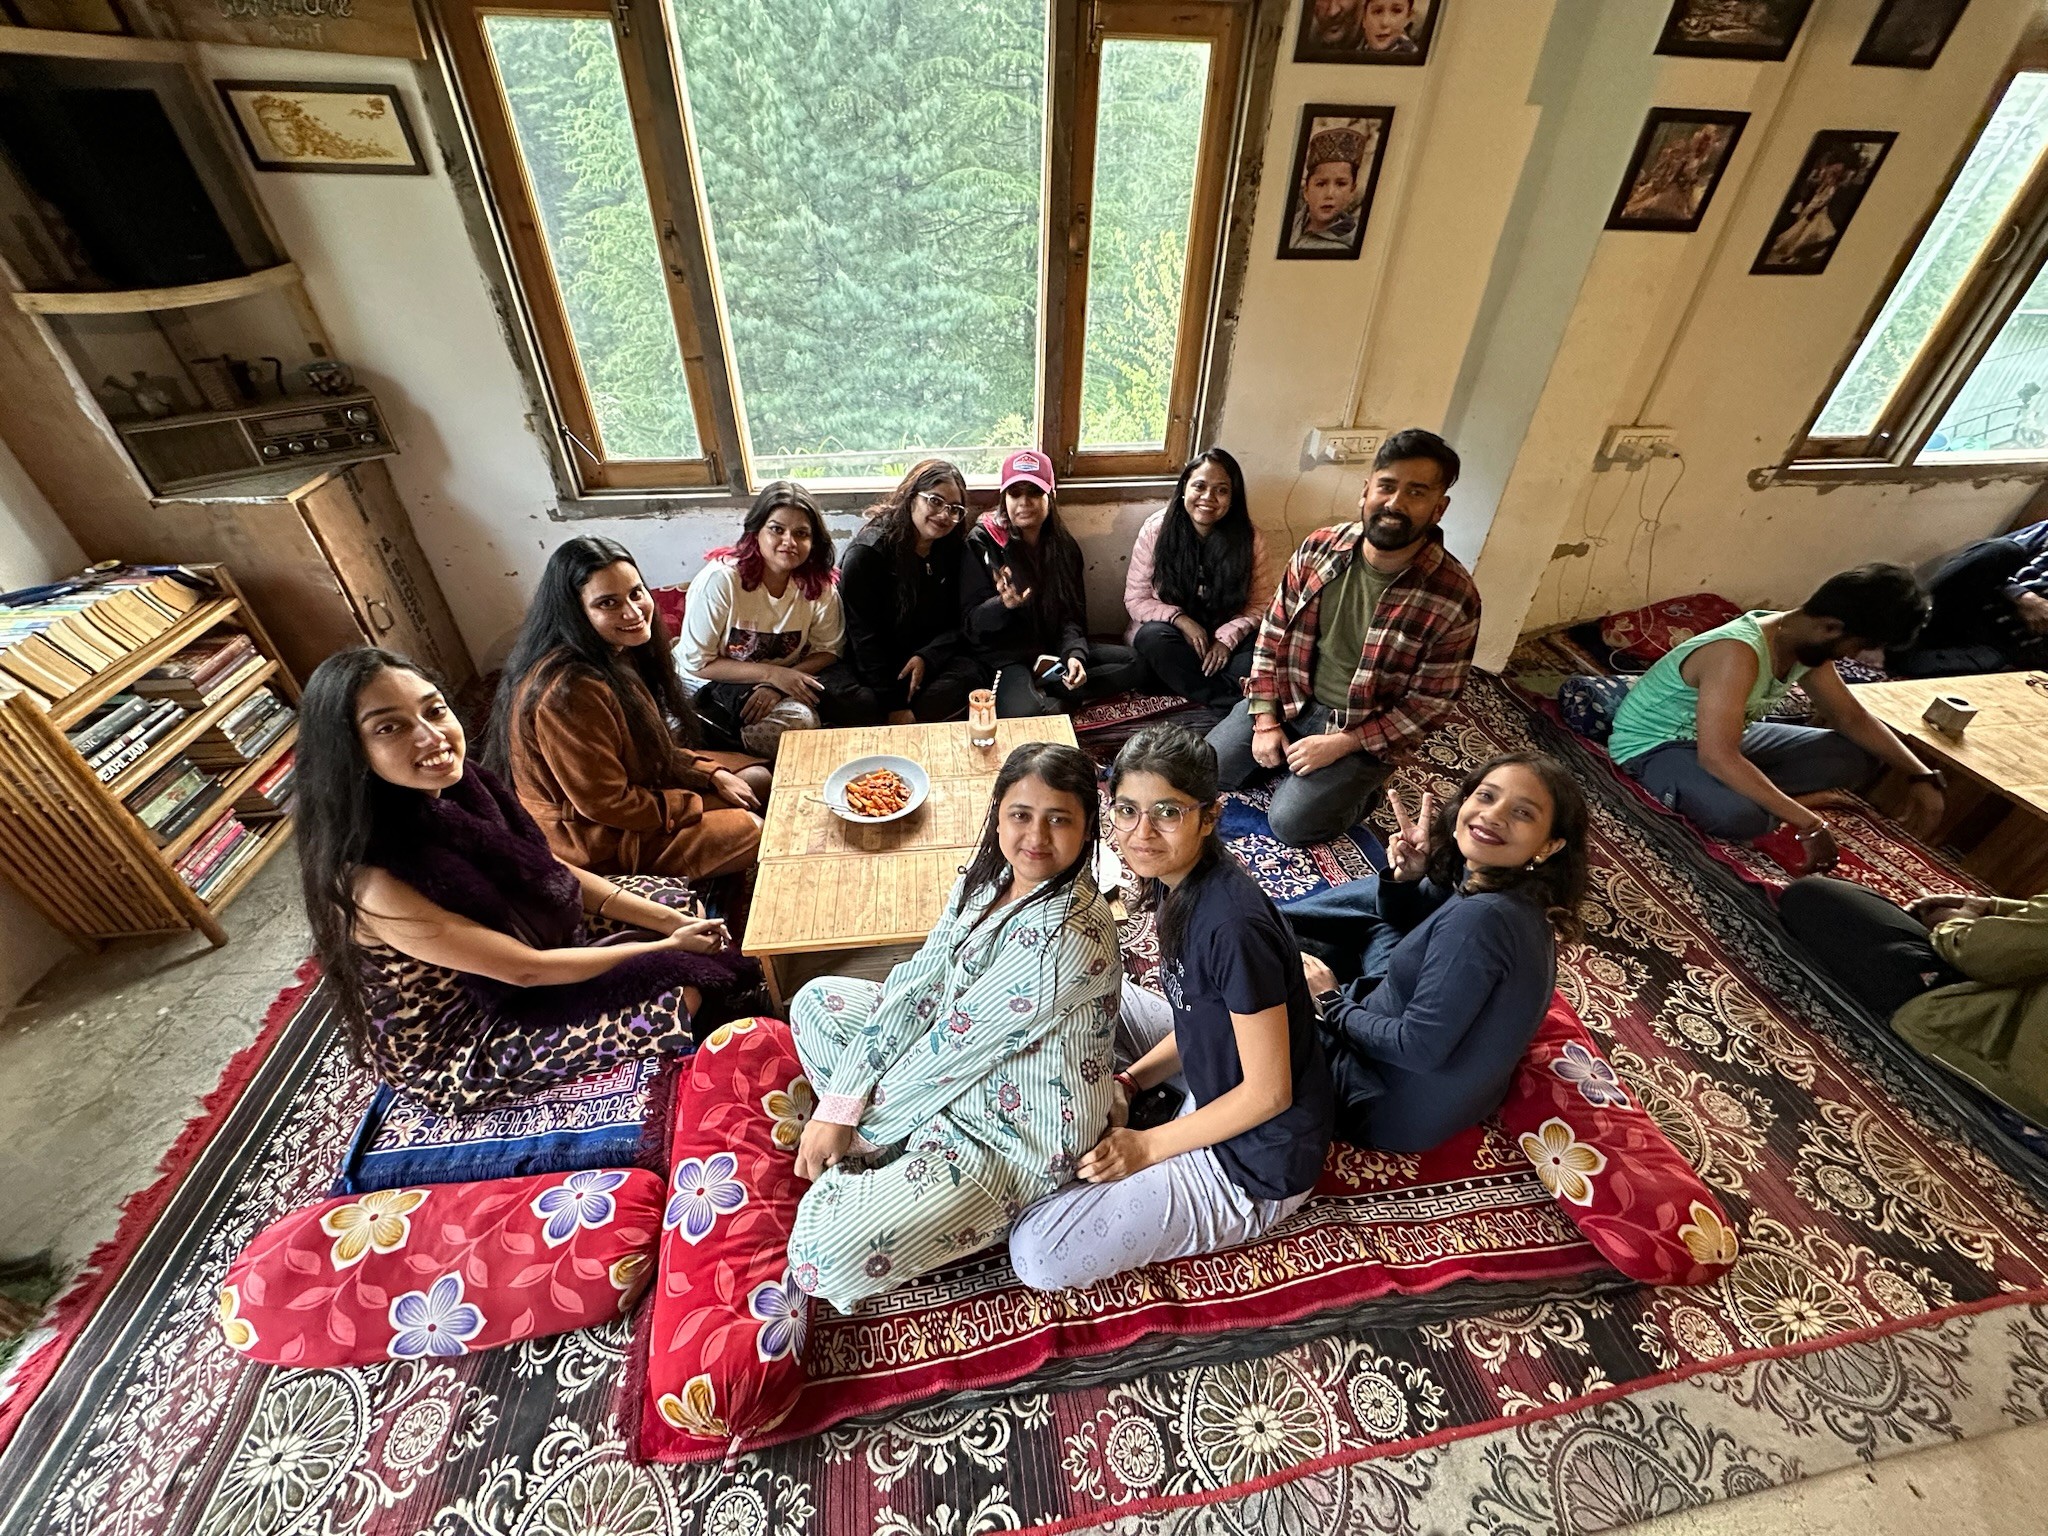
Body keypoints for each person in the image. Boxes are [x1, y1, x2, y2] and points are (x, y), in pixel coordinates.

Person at [297, 648, 764, 1115]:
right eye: (389, 728)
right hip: (472, 1031)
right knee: (677, 995)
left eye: (434, 710)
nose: (430, 736)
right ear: (350, 752)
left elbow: (546, 867)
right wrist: (665, 949)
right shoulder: (375, 882)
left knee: (674, 902)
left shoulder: (463, 788)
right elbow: (526, 970)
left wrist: (668, 922)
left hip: (517, 947)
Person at [784, 742, 1121, 1312]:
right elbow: (919, 982)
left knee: (819, 1256)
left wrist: (854, 1128)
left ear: (1088, 829)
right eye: (1021, 815)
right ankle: (889, 1162)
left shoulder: (1066, 939)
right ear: (998, 816)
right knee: (815, 1002)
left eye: (1058, 820)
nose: (1036, 836)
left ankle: (884, 1169)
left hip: (1008, 1135)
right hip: (951, 1065)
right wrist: (838, 1107)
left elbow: (954, 1049)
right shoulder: (989, 880)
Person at [1008, 726, 1334, 1291]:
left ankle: (1164, 1135)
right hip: (1216, 1071)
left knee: (1039, 1252)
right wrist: (1130, 1082)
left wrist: (1146, 1145)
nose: (1141, 834)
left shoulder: (1233, 928)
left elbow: (1270, 1093)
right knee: (1078, 988)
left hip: (1255, 1158)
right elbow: (1198, 1018)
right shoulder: (1176, 878)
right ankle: (1155, 1106)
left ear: (1210, 816)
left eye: (1167, 813)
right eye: (1127, 810)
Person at [1283, 754, 1590, 1151]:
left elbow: (1417, 1048)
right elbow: (1404, 921)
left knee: (1251, 996)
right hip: (1429, 1086)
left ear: (1549, 845)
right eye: (1486, 796)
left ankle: (1270, 931)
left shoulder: (1482, 920)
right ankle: (1278, 930)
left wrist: (1330, 1003)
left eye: (1522, 813)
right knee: (1379, 902)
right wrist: (1408, 876)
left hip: (1378, 1098)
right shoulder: (1505, 885)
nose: (1493, 816)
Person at [1207, 427, 1480, 848]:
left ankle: (1363, 792)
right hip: (1291, 699)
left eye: (1416, 493)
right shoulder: (1318, 549)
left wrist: (1342, 745)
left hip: (1361, 727)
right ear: (1365, 491)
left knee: (1290, 823)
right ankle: (1293, 760)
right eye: (1386, 486)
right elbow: (1270, 639)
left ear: (1438, 509)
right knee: (1209, 769)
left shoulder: (1454, 597)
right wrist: (1264, 721)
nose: (1395, 503)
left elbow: (1428, 705)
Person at [1607, 564, 1941, 867]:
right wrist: (1809, 822)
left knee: (1855, 756)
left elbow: (1850, 717)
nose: (1853, 656)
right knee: (1740, 817)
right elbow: (1717, 756)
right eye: (1857, 646)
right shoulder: (1736, 653)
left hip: (1725, 738)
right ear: (1831, 627)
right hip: (1657, 745)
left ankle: (1750, 790)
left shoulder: (1803, 644)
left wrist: (1922, 775)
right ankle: (1754, 795)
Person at [487, 536, 767, 884]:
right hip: (595, 837)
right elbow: (606, 804)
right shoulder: (568, 691)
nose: (633, 613)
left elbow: (651, 750)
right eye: (608, 603)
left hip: (638, 791)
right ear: (576, 612)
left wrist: (710, 775)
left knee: (758, 780)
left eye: (636, 593)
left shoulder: (615, 651)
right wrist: (689, 804)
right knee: (753, 830)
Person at [1781, 876, 2048, 1127]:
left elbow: (1975, 954)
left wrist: (1958, 922)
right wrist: (1994, 908)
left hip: (1983, 1034)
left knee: (1815, 894)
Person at [677, 481, 879, 758]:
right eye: (777, 529)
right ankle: (708, 733)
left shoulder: (818, 586)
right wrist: (771, 674)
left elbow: (828, 650)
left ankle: (728, 742)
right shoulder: (722, 580)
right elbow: (698, 663)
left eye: (801, 533)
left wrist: (779, 684)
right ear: (756, 531)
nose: (789, 542)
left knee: (860, 704)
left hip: (785, 677)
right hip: (711, 679)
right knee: (797, 725)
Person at [962, 449, 1146, 717]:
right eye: (1015, 493)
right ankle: (1044, 695)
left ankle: (1053, 686)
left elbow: (1072, 617)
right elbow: (971, 627)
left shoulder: (1064, 547)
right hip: (1007, 658)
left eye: (1035, 492)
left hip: (1052, 652)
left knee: (1135, 663)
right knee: (1027, 715)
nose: (1024, 502)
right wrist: (1002, 604)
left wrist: (1075, 656)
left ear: (1051, 496)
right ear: (1004, 498)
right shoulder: (982, 541)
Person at [1124, 448, 1275, 708]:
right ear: (1184, 488)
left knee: (1263, 651)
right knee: (1152, 639)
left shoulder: (1250, 539)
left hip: (1225, 639)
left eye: (1221, 490)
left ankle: (1196, 689)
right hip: (1174, 638)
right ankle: (1229, 699)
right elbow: (1136, 599)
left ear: (1233, 497)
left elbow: (1261, 605)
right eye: (1200, 486)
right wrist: (1181, 620)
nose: (1208, 498)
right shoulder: (1156, 530)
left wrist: (1226, 640)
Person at [838, 459, 986, 724]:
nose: (944, 515)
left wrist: (927, 657)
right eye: (935, 501)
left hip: (925, 660)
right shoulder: (867, 554)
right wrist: (893, 704)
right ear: (911, 497)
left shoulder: (952, 549)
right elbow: (863, 639)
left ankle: (912, 720)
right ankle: (905, 719)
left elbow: (960, 621)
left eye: (954, 509)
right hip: (874, 666)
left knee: (972, 675)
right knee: (862, 702)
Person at [1887, 517, 2048, 679]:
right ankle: (1895, 633)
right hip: (1968, 604)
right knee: (2005, 550)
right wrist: (2022, 597)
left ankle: (1891, 656)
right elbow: (1989, 556)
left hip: (1999, 644)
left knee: (1911, 668)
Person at [1288, 129, 1364, 253]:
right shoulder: (1290, 223)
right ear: (1306, 191)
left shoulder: (1351, 244)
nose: (1329, 194)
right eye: (1321, 184)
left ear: (1352, 191)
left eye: (1341, 184)